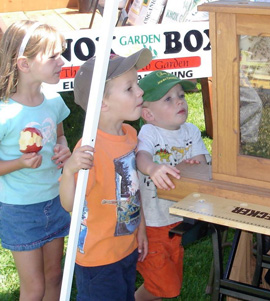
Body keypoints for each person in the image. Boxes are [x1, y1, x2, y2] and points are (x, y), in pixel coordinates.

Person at [59, 48, 152, 300]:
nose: (140, 91)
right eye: (129, 88)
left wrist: (140, 228)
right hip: (98, 260)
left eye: (138, 84)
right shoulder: (89, 149)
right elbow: (70, 204)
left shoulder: (130, 135)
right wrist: (69, 171)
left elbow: (134, 190)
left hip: (126, 248)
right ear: (102, 103)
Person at [0, 20, 71, 300]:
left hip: (55, 200)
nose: (62, 61)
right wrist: (18, 163)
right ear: (24, 64)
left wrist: (63, 150)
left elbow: (61, 136)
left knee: (54, 277)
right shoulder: (5, 113)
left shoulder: (53, 100)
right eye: (53, 56)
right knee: (35, 287)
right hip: (20, 211)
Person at [135, 71, 210, 301]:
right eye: (168, 99)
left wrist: (195, 163)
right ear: (148, 114)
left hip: (178, 219)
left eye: (180, 95)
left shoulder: (191, 131)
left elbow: (203, 161)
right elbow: (141, 157)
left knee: (165, 277)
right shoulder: (149, 132)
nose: (179, 101)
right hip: (153, 222)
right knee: (165, 286)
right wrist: (152, 168)